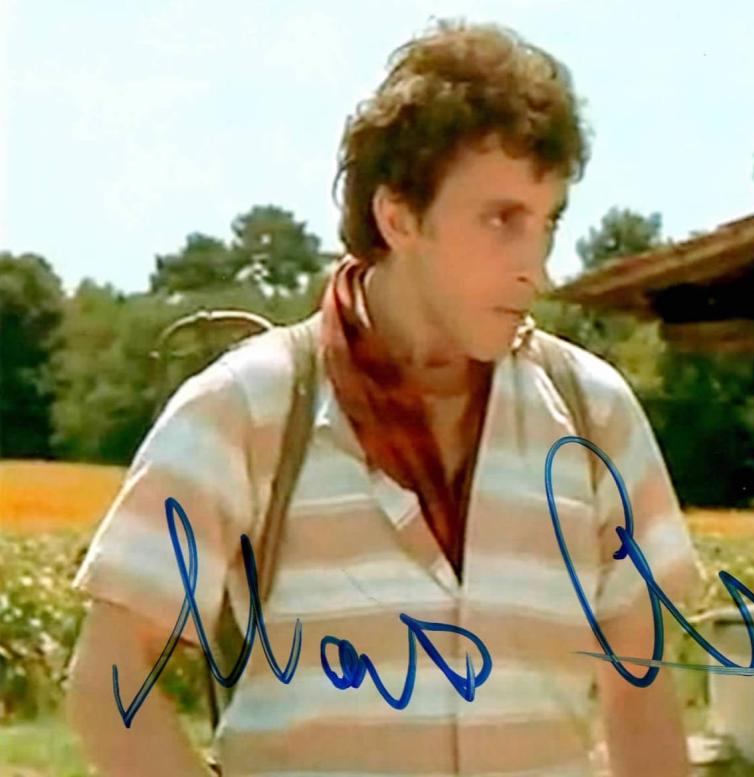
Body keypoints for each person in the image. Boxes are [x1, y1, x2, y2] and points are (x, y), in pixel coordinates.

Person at [67, 18, 706, 777]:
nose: (535, 267)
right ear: (398, 215)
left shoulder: (593, 414)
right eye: (501, 220)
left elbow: (642, 695)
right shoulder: (249, 408)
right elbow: (109, 680)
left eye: (547, 223)